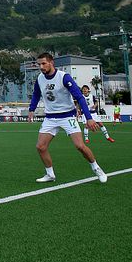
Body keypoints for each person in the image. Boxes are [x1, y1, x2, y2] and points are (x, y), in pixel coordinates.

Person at [28, 52, 107, 184]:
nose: (41, 67)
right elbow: (36, 94)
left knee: (80, 146)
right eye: (39, 64)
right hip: (50, 118)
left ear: (51, 62)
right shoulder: (40, 79)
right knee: (40, 147)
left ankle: (97, 168)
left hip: (67, 116)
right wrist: (31, 109)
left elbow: (80, 97)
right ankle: (50, 174)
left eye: (43, 63)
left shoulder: (64, 77)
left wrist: (89, 118)